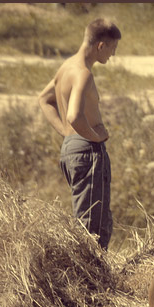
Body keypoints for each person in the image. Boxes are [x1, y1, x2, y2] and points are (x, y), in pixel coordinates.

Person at [38, 18, 121, 250]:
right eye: (113, 49)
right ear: (101, 46)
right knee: (92, 229)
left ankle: (90, 278)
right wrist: (95, 136)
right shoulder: (83, 74)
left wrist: (66, 133)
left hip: (72, 148)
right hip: (87, 151)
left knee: (91, 219)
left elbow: (44, 100)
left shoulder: (66, 67)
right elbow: (74, 115)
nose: (112, 56)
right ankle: (90, 282)